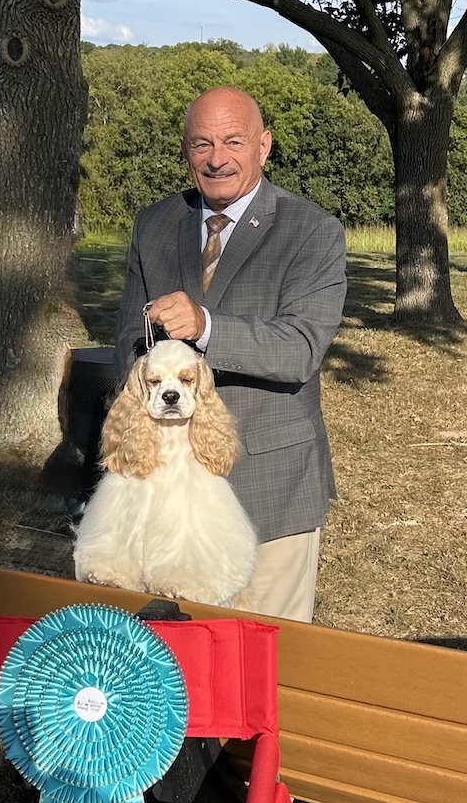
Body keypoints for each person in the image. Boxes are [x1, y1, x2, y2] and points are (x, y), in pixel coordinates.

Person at [114, 86, 347, 622]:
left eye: (233, 142)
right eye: (202, 144)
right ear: (186, 150)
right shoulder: (154, 225)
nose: (217, 158)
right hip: (165, 488)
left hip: (267, 486)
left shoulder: (312, 231)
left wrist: (207, 327)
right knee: (171, 654)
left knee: (265, 655)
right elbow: (129, 345)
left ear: (264, 146)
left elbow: (301, 349)